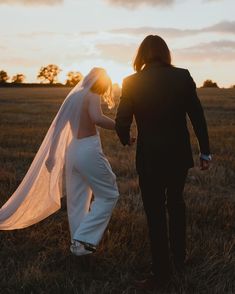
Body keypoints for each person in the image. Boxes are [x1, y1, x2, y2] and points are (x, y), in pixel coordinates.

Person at [115, 35, 211, 290]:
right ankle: (179, 259)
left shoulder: (131, 81)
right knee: (177, 204)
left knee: (155, 212)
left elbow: (121, 121)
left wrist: (126, 139)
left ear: (142, 55)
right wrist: (205, 151)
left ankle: (161, 272)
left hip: (149, 157)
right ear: (165, 53)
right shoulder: (182, 76)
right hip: (178, 154)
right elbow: (197, 116)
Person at [0, 68, 119, 256]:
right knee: (109, 193)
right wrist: (120, 127)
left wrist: (52, 155)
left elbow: (58, 127)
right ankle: (85, 238)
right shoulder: (93, 94)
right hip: (88, 149)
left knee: (77, 200)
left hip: (73, 151)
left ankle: (79, 248)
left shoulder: (74, 96)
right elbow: (97, 118)